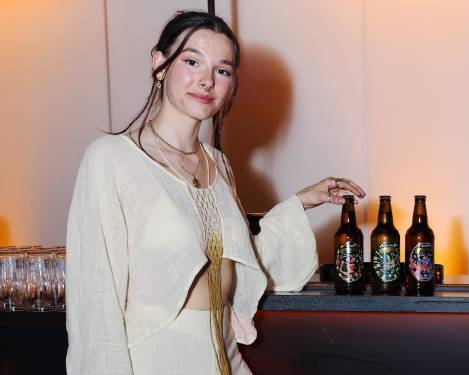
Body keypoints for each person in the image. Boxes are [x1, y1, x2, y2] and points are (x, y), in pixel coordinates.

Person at [65, 11, 365, 374]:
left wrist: (301, 202)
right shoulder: (111, 160)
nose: (206, 81)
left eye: (222, 70)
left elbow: (240, 263)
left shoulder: (217, 165)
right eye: (192, 61)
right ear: (159, 64)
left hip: (224, 356)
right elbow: (94, 302)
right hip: (156, 358)